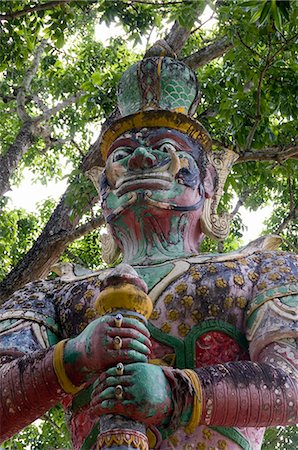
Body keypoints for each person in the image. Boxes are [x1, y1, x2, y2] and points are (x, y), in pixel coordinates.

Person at [0, 51, 297, 450]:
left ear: (209, 181)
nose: (140, 157)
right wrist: (75, 355)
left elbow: (291, 383)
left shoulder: (262, 269)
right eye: (121, 155)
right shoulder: (52, 294)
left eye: (166, 147)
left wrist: (179, 393)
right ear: (101, 189)